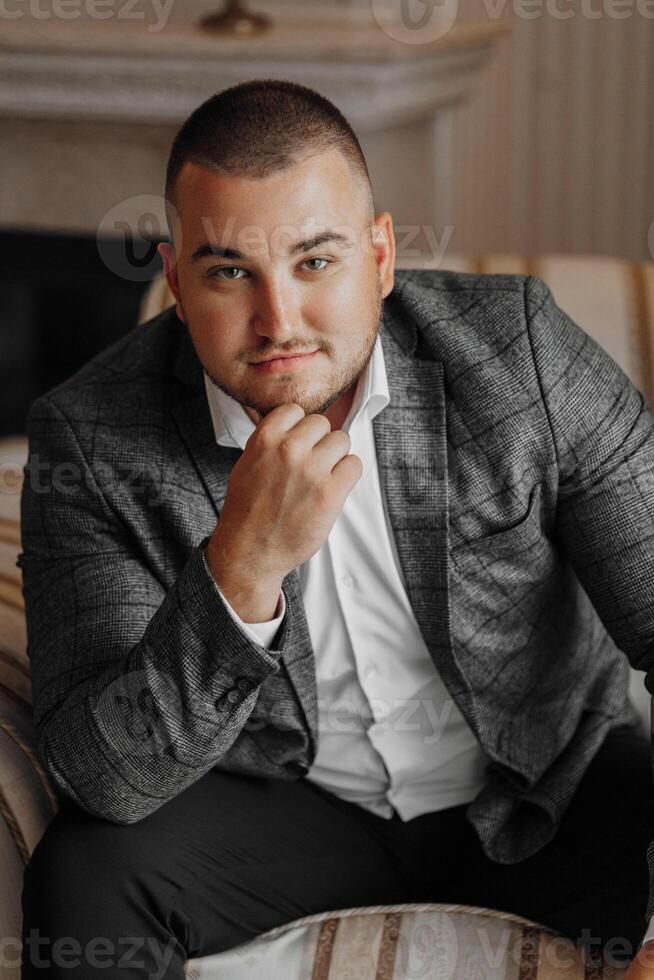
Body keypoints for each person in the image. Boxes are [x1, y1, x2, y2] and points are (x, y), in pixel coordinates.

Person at [18, 78, 654, 979]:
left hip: (550, 789)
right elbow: (102, 774)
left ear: (382, 255)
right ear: (174, 280)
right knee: (86, 875)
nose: (279, 323)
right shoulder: (91, 438)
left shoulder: (522, 355)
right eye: (229, 271)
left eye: (316, 261)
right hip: (287, 808)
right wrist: (240, 570)